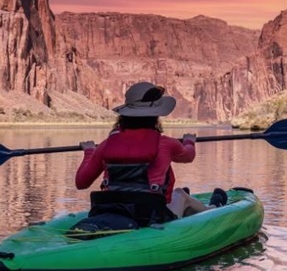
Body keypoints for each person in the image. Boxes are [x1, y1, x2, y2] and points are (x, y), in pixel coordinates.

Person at [75, 81, 210, 222]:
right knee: (181, 194)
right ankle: (213, 209)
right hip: (152, 216)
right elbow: (189, 156)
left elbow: (81, 183)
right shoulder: (166, 144)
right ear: (156, 116)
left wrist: (90, 151)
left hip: (113, 209)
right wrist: (189, 141)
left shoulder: (106, 145)